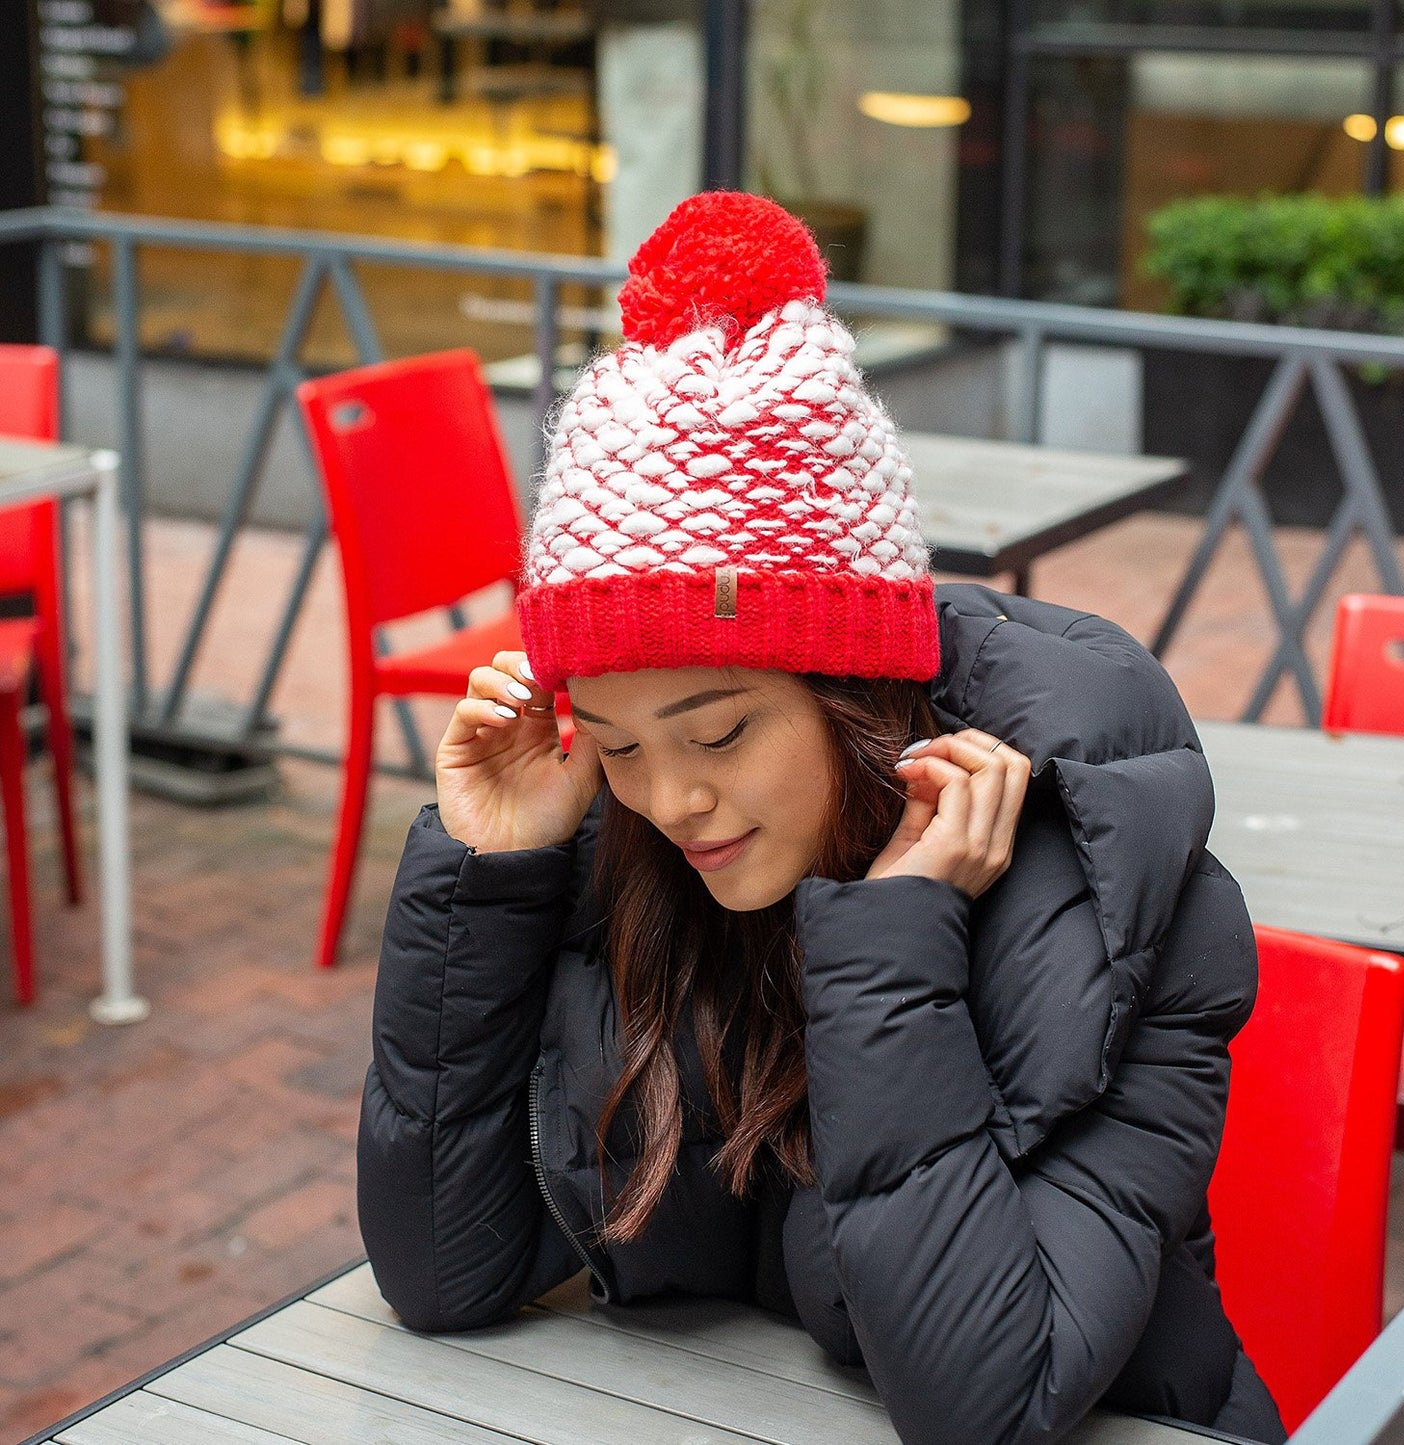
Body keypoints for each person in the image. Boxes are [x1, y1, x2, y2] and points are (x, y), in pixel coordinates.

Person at [356, 191, 1287, 1445]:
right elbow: (443, 1273)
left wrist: (893, 941)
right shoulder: (624, 842)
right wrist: (487, 876)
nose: (672, 798)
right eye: (619, 743)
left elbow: (983, 1402)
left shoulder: (1100, 882)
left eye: (720, 731)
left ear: (856, 696)